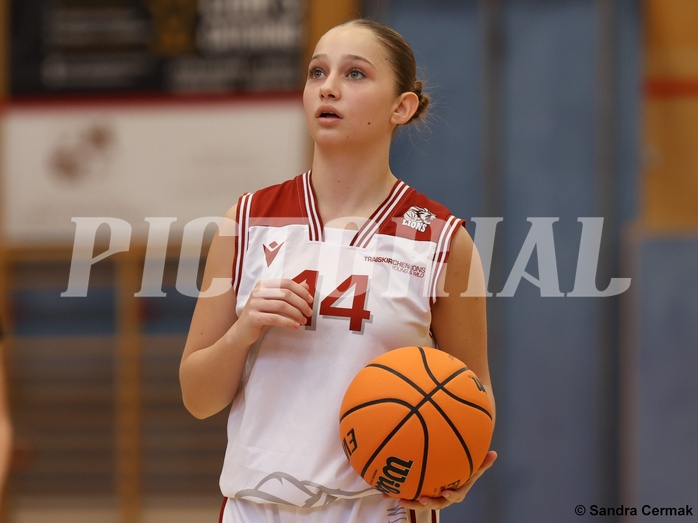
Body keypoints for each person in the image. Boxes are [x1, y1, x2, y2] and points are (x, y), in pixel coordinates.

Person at [180, 18, 496, 523]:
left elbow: (472, 389)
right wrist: (243, 332)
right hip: (255, 509)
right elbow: (197, 398)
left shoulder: (443, 240)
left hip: (380, 510)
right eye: (316, 72)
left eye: (355, 74)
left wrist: (455, 471)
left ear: (402, 107)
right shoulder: (246, 220)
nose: (328, 86)